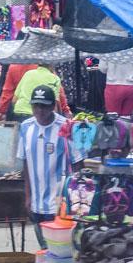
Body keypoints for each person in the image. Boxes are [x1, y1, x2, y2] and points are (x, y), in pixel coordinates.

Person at [17, 85, 82, 249]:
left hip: (61, 204)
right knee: (45, 251)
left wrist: (76, 199)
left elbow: (78, 164)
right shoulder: (25, 127)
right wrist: (28, 196)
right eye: (35, 105)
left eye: (44, 106)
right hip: (36, 203)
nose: (39, 110)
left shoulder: (66, 127)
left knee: (61, 250)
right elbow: (25, 162)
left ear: (53, 106)